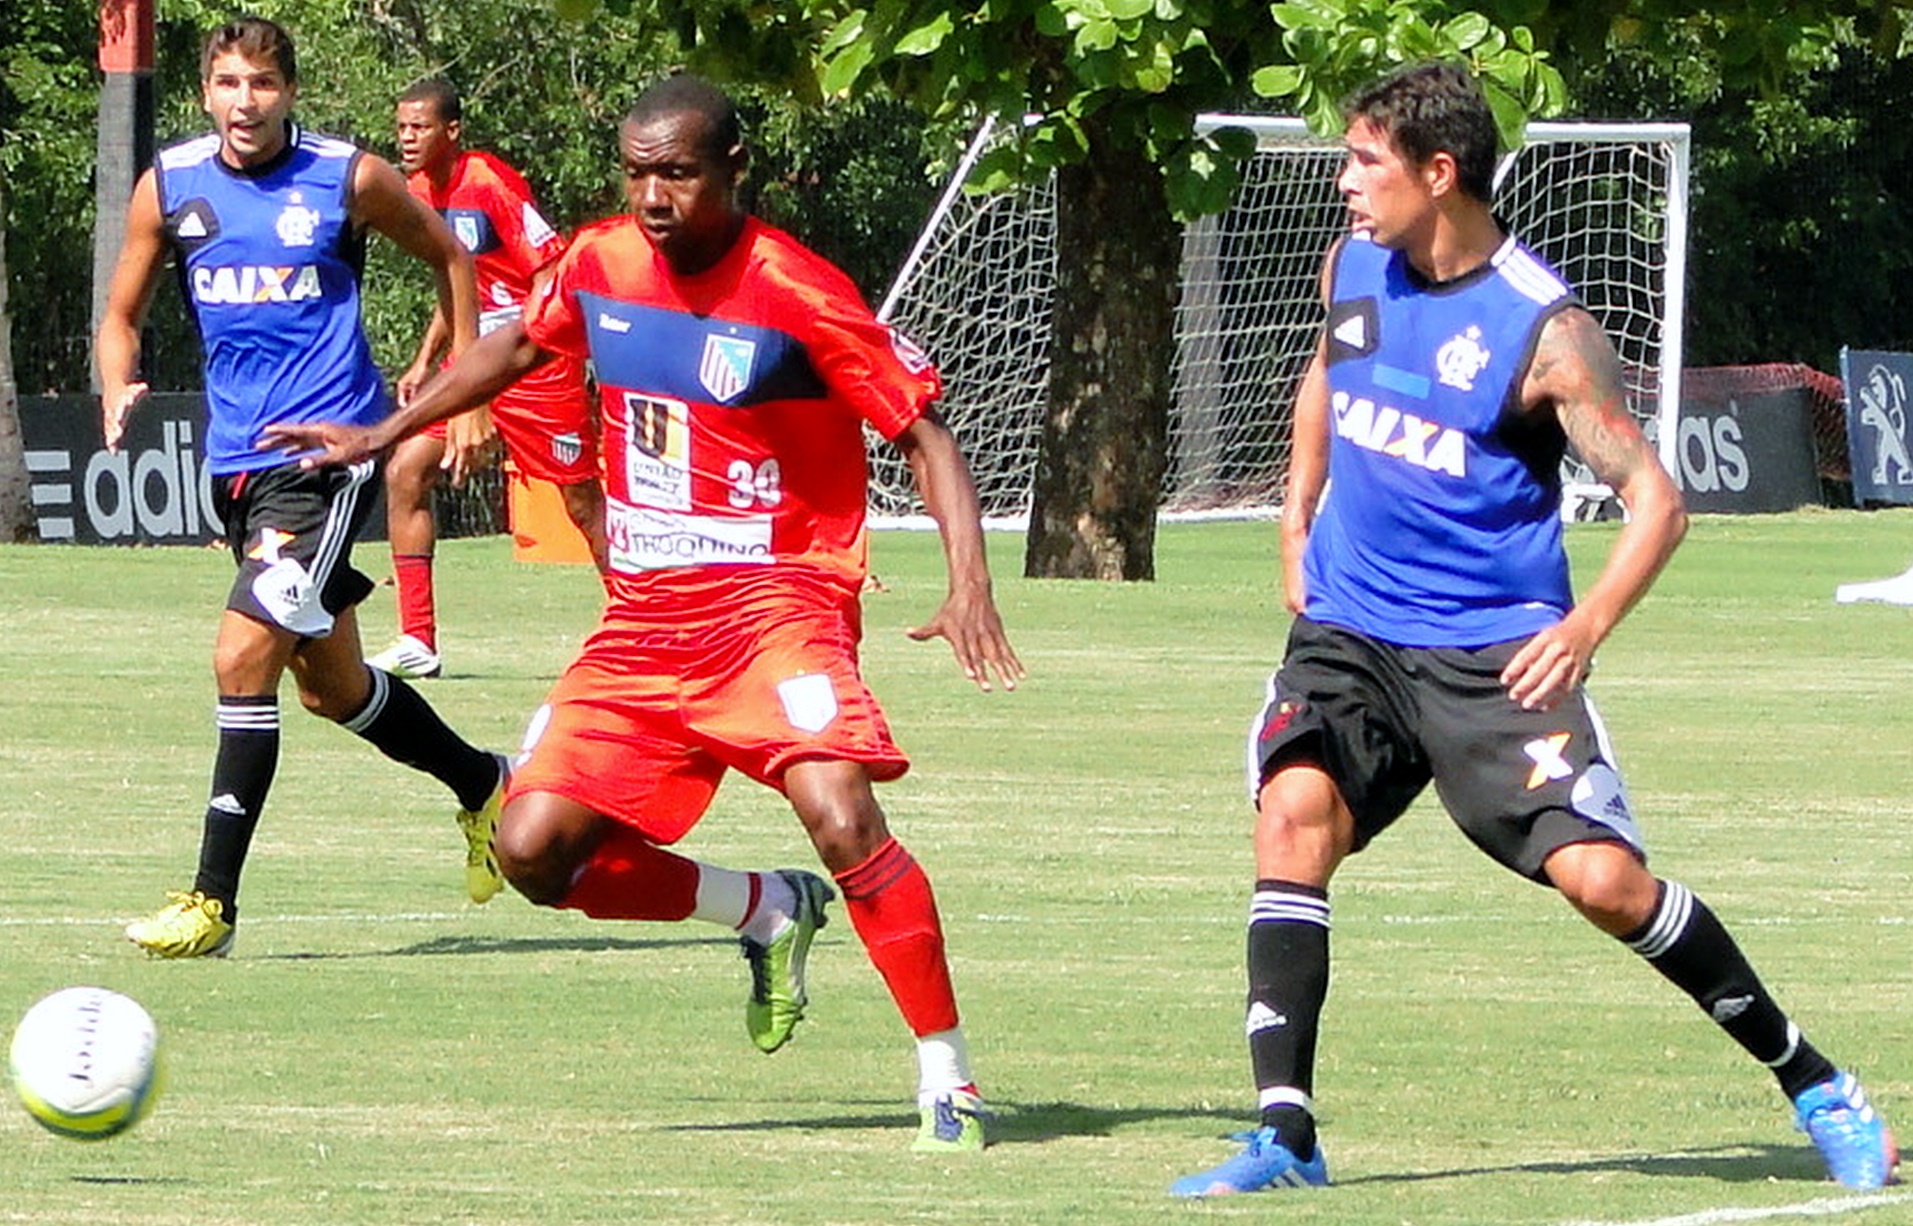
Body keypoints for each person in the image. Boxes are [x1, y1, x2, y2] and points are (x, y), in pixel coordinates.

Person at [1170, 62, 1898, 1197]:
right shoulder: (1354, 263)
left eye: (1365, 163)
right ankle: (1285, 1131)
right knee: (1291, 813)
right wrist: (1293, 510)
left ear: (1438, 172)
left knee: (1602, 881)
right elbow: (1325, 372)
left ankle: (1815, 1081)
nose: (1345, 186)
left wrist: (1586, 623)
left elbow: (1656, 500)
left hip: (1490, 649)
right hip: (1352, 630)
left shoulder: (1542, 330)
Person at [264, 74, 1024, 1151]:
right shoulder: (596, 260)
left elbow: (926, 434)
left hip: (777, 600)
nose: (653, 195)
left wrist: (969, 583)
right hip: (645, 617)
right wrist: (382, 431)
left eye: (677, 171)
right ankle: (762, 908)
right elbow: (514, 344)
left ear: (731, 170)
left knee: (844, 814)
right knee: (529, 847)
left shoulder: (798, 289)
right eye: (636, 172)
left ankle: (947, 1076)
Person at [95, 17, 513, 958]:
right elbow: (119, 314)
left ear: (290, 93)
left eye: (265, 85)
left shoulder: (349, 175)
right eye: (230, 84)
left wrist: (470, 399)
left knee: (242, 658)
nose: (247, 103)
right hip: (236, 465)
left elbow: (453, 257)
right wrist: (117, 380)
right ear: (207, 92)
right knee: (334, 690)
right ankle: (488, 784)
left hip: (330, 459)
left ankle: (212, 902)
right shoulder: (171, 185)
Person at [369, 77, 606, 681]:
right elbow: (455, 283)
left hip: (535, 361)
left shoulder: (489, 184)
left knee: (582, 503)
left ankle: (649, 629)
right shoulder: (418, 190)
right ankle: (418, 639)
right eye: (401, 127)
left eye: (418, 127)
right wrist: (428, 360)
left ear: (452, 132)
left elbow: (552, 268)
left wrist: (534, 357)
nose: (406, 137)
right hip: (471, 358)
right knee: (406, 470)